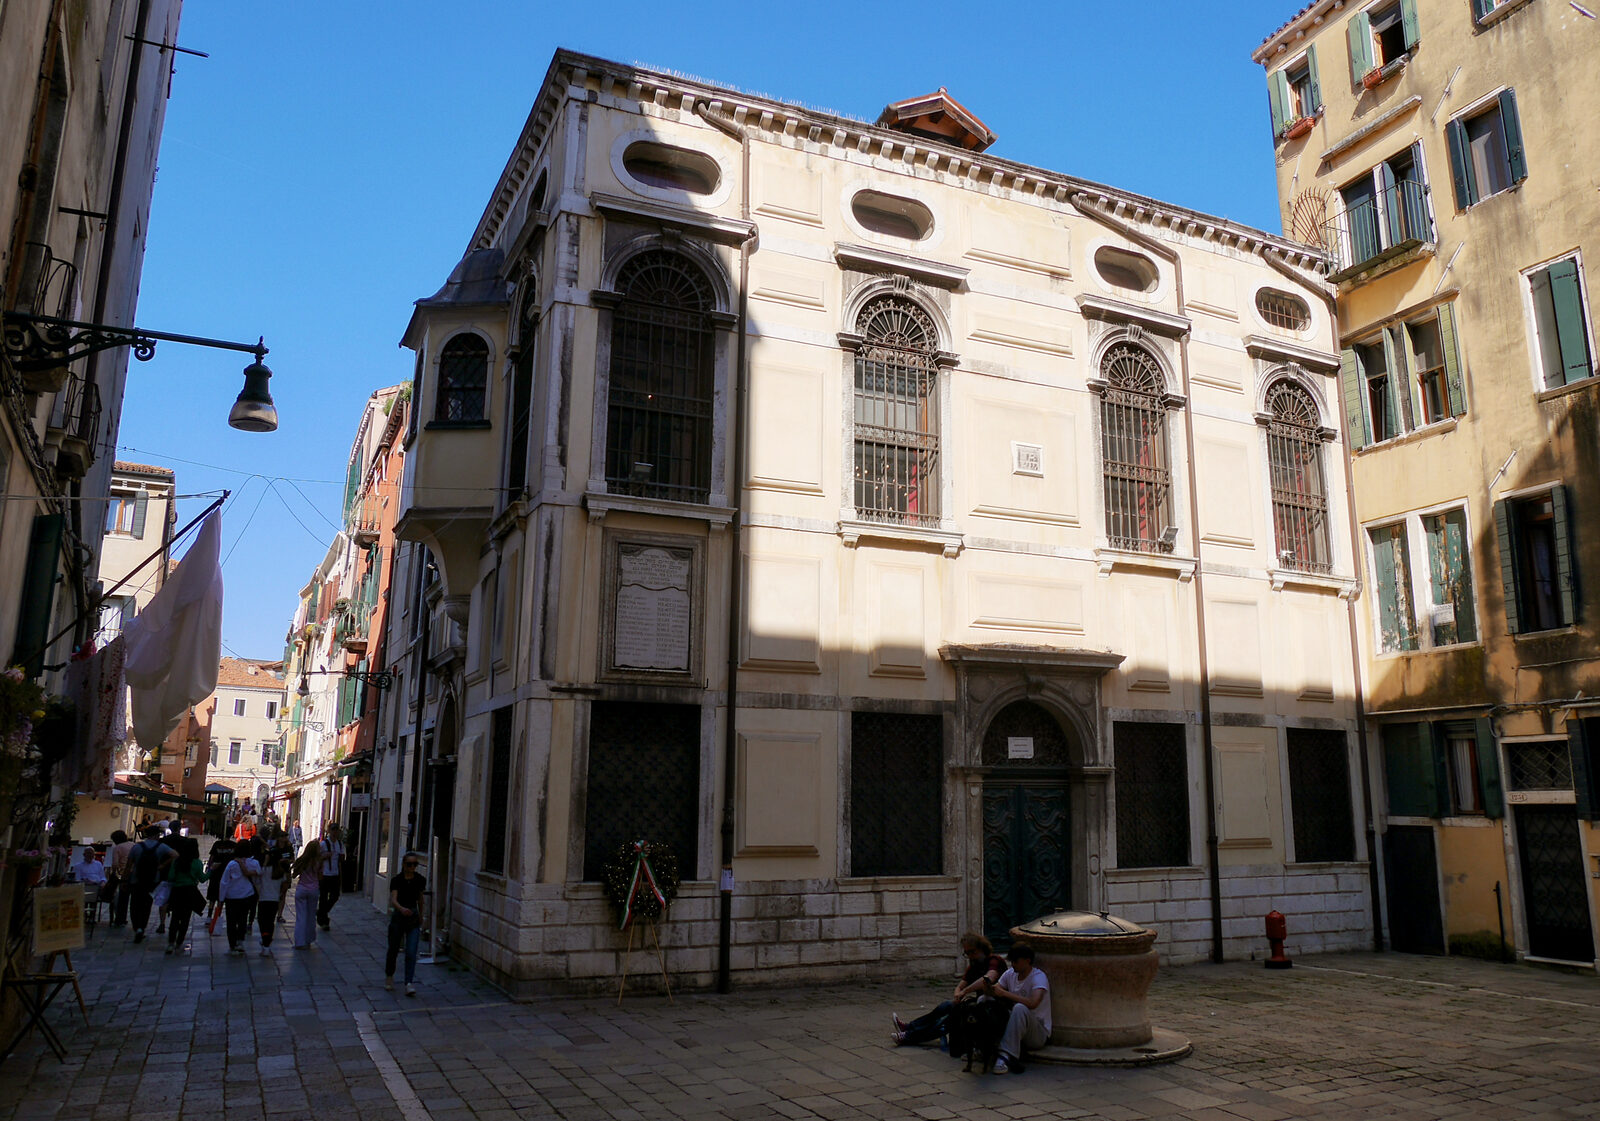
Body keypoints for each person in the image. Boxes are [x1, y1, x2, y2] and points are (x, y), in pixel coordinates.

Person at [892, 932, 1006, 1047]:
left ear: (982, 949)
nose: (970, 956)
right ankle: (909, 1027)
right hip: (979, 1002)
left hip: (993, 1005)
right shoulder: (974, 966)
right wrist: (957, 995)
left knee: (950, 1018)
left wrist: (965, 991)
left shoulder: (994, 961)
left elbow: (988, 978)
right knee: (946, 1006)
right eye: (967, 953)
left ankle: (908, 1036)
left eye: (972, 952)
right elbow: (960, 986)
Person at [985, 942, 1052, 1075]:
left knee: (1020, 1008)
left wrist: (1005, 994)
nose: (1013, 964)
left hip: (1037, 1032)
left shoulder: (1038, 977)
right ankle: (984, 1047)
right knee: (985, 1001)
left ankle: (1004, 1056)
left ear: (1027, 961)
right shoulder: (1010, 974)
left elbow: (1033, 1003)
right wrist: (989, 989)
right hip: (1016, 1025)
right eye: (1012, 961)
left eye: (1016, 961)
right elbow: (998, 988)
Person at [384, 852, 427, 996]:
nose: (412, 867)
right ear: (404, 865)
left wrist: (421, 915)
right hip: (399, 917)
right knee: (394, 949)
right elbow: (393, 899)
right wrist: (401, 909)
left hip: (413, 917)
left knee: (411, 951)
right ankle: (389, 976)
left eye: (415, 864)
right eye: (409, 864)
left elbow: (420, 899)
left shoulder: (420, 880)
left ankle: (409, 982)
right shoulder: (397, 880)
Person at [128, 825, 176, 943]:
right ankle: (142, 928)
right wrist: (162, 865)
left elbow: (129, 864)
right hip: (152, 880)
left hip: (136, 879)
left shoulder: (137, 846)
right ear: (157, 835)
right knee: (146, 905)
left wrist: (125, 879)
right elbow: (175, 855)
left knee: (134, 905)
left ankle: (136, 927)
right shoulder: (161, 846)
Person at [164, 837, 208, 955]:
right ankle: (179, 942)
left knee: (175, 918)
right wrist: (211, 871)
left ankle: (171, 943)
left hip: (177, 891)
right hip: (190, 892)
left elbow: (171, 877)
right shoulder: (197, 863)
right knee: (185, 918)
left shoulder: (177, 861)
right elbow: (202, 879)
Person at [217, 839, 261, 955]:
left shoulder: (232, 864)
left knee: (231, 921)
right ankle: (240, 941)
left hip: (232, 896)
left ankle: (232, 945)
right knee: (243, 919)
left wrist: (221, 899)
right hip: (247, 895)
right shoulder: (254, 863)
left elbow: (224, 882)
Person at [257, 845, 289, 955]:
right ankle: (267, 943)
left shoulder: (264, 870)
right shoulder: (280, 871)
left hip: (263, 899)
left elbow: (258, 878)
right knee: (270, 922)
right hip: (274, 900)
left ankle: (265, 940)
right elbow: (285, 885)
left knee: (262, 921)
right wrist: (280, 893)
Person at [291, 840, 323, 949]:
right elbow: (320, 877)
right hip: (313, 890)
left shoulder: (302, 860)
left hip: (301, 889)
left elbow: (294, 875)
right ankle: (309, 939)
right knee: (311, 916)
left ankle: (299, 942)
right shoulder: (318, 862)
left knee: (301, 916)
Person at [204, 832, 237, 936]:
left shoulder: (217, 844)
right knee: (221, 898)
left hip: (216, 872)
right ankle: (217, 916)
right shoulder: (233, 845)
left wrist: (209, 868)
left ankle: (209, 916)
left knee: (212, 897)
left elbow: (212, 857)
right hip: (227, 874)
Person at [316, 823, 345, 931]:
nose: (335, 832)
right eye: (333, 829)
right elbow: (317, 857)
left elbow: (342, 858)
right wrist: (325, 856)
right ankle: (323, 921)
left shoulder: (340, 844)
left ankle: (321, 913)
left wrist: (341, 858)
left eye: (336, 830)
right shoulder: (324, 844)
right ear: (329, 830)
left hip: (335, 874)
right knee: (323, 897)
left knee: (335, 896)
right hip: (325, 874)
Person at [107, 830, 135, 927]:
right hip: (135, 873)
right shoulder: (133, 845)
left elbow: (115, 864)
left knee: (122, 898)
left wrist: (114, 873)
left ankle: (120, 919)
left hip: (124, 874)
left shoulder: (118, 848)